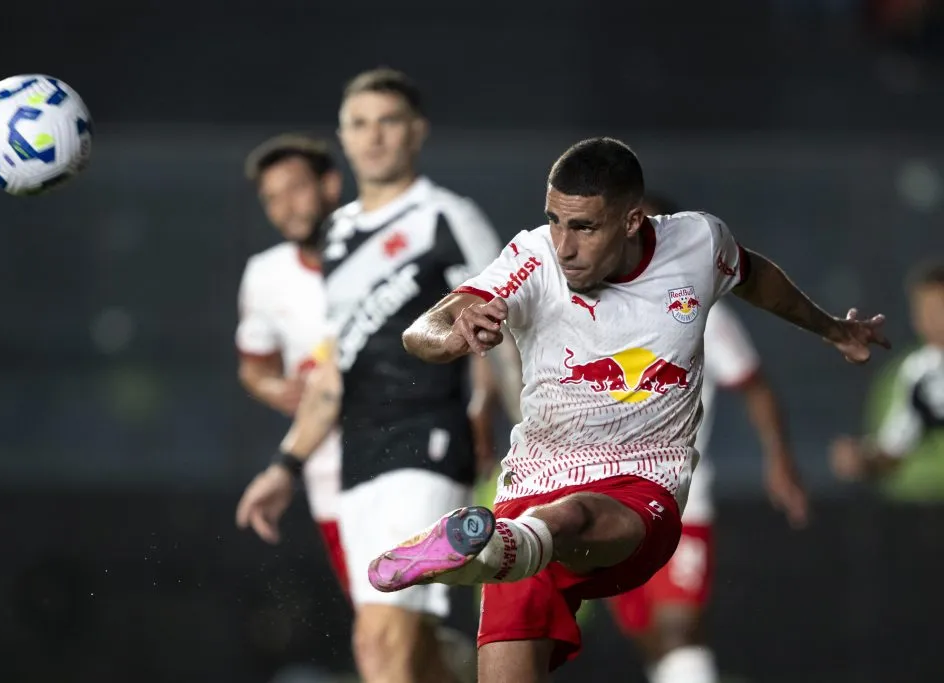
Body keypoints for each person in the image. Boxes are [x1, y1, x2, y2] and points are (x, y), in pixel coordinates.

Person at [366, 136, 890, 683]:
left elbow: (757, 280)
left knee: (577, 522)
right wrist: (450, 339)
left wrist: (835, 330)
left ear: (633, 219)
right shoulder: (531, 259)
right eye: (555, 221)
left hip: (642, 485)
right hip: (531, 483)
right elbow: (421, 330)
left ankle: (480, 549)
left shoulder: (697, 243)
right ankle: (482, 548)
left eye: (584, 227)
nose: (564, 246)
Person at [235, 68, 520, 683]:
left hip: (426, 445)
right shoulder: (337, 238)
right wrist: (285, 466)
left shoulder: (447, 217)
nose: (374, 137)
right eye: (360, 124)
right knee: (407, 651)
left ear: (416, 132)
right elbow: (335, 374)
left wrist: (535, 442)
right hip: (358, 463)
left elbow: (508, 336)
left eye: (388, 121)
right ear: (343, 135)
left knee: (379, 644)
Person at [606, 193, 809, 683]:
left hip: (677, 499)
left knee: (680, 633)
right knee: (653, 642)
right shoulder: (589, 309)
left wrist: (779, 460)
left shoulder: (699, 311)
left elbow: (755, 385)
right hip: (600, 503)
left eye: (650, 228)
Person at [234, 134, 349, 595]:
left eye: (296, 188)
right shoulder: (265, 275)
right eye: (271, 198)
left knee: (392, 626)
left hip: (403, 450)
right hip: (324, 465)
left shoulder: (382, 250)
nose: (285, 206)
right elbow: (254, 368)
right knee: (377, 623)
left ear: (330, 185)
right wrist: (272, 388)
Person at [830, 259, 944, 482]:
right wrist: (863, 458)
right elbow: (896, 445)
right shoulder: (919, 372)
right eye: (921, 309)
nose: (927, 319)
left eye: (937, 308)